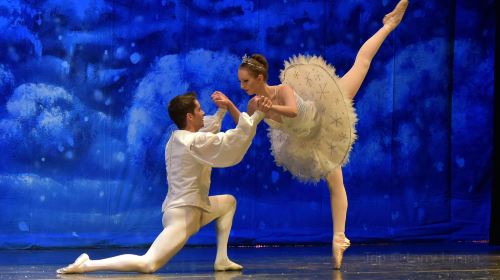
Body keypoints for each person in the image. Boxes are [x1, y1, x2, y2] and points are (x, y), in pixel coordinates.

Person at [213, 0, 408, 269]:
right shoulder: (254, 104)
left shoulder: (282, 90)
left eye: (246, 81)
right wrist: (230, 106)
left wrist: (273, 106)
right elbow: (245, 125)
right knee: (334, 184)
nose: (242, 86)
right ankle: (339, 238)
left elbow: (292, 111)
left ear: (260, 78)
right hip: (307, 140)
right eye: (240, 82)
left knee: (361, 64)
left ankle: (389, 25)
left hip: (324, 112)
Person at [56, 91, 270, 274]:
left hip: (194, 208)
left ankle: (221, 259)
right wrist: (257, 115)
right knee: (148, 263)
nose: (204, 113)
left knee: (228, 202)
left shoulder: (178, 138)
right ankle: (87, 264)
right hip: (183, 214)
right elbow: (229, 141)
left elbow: (206, 132)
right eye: (199, 110)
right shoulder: (192, 142)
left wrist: (223, 111)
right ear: (189, 116)